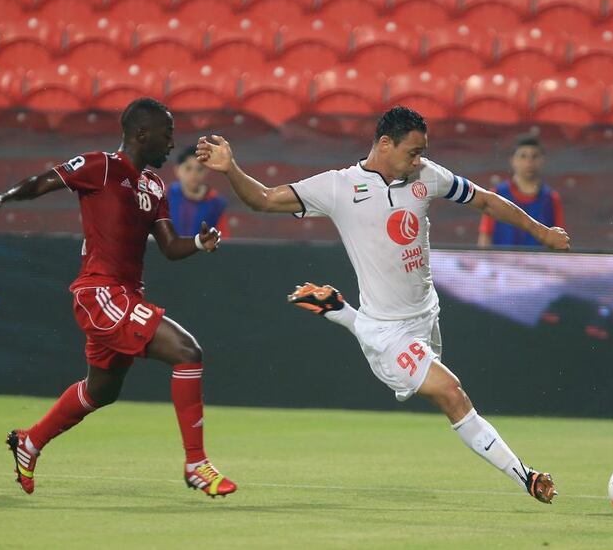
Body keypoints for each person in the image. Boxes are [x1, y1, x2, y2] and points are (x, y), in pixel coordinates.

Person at [196, 106, 569, 504]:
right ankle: (525, 476)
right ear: (385, 144)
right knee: (452, 394)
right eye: (413, 151)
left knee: (446, 387)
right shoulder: (339, 187)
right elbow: (265, 200)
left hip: (427, 316)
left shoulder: (427, 175)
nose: (419, 159)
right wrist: (231, 168)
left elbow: (485, 201)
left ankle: (340, 311)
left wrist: (541, 231)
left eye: (423, 151)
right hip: (387, 334)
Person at [0, 98, 236, 498]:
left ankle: (30, 441)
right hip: (100, 292)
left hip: (126, 294)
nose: (172, 142)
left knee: (102, 391)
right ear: (142, 133)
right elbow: (44, 181)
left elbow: (170, 247)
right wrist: (1, 199)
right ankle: (196, 464)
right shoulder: (100, 165)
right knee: (187, 352)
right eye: (167, 133)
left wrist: (199, 241)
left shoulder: (153, 185)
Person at [478, 134, 565, 247]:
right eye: (523, 156)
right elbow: (485, 238)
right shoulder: (497, 194)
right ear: (513, 160)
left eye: (534, 156)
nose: (529, 162)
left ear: (542, 160)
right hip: (502, 263)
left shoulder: (551, 198)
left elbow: (559, 241)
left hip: (538, 264)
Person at [169, 144, 230, 238]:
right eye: (188, 168)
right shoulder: (164, 196)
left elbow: (224, 240)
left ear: (207, 171)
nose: (194, 174)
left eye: (200, 169)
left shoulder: (216, 204)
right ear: (177, 170)